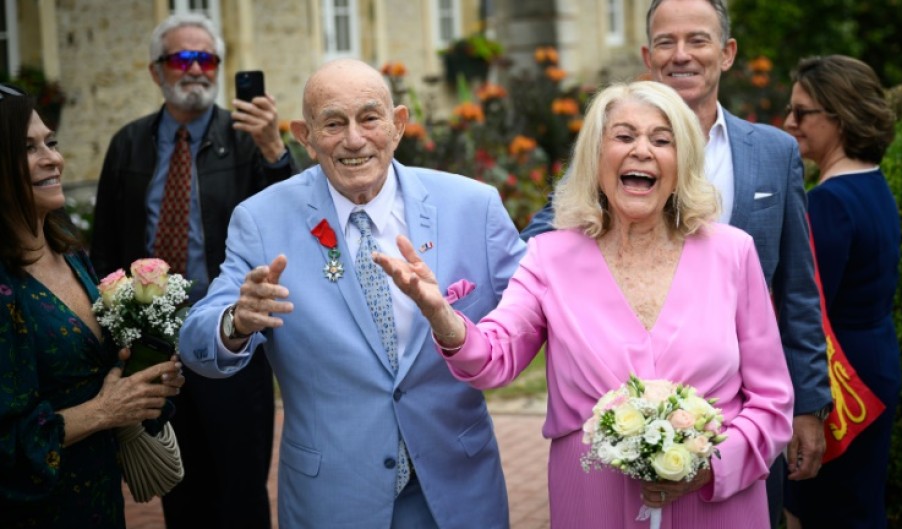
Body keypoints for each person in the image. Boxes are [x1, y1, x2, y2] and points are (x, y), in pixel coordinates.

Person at [376, 80, 794, 528]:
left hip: (717, 506)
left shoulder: (732, 253)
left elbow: (772, 401)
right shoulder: (550, 257)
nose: (641, 151)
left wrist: (712, 465)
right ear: (596, 158)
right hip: (594, 502)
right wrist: (441, 315)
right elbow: (493, 359)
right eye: (624, 136)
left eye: (661, 139)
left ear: (683, 160)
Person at [177, 58, 526, 529]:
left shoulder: (473, 207)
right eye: (333, 124)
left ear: (398, 124)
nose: (354, 140)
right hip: (334, 499)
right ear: (304, 135)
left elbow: (540, 307)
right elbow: (197, 343)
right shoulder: (260, 221)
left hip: (456, 490)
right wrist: (235, 323)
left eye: (369, 118)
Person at [520, 1, 831, 523]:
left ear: (727, 53)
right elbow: (548, 240)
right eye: (666, 42)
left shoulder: (775, 152)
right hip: (616, 435)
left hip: (736, 419)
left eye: (698, 40)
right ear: (647, 55)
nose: (681, 54)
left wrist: (807, 404)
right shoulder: (612, 150)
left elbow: (797, 288)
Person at [89, 13, 294, 529]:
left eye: (208, 59)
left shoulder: (247, 140)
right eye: (184, 58)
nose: (197, 70)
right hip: (158, 351)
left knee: (242, 491)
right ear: (156, 70)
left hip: (232, 339)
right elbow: (106, 247)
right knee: (179, 492)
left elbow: (294, 217)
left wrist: (274, 150)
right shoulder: (128, 144)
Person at [0, 83, 184, 528]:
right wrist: (105, 411)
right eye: (27, 149)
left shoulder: (73, 257)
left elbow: (96, 372)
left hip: (100, 501)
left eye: (51, 142)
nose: (53, 159)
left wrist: (143, 378)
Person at [782, 55, 901, 529]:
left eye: (801, 112)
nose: (789, 123)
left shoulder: (828, 203)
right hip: (876, 360)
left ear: (839, 114)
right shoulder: (873, 184)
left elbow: (805, 313)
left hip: (839, 379)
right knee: (859, 505)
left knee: (816, 509)